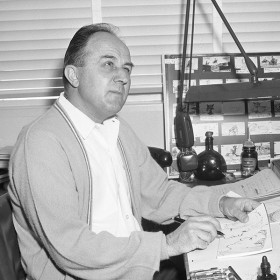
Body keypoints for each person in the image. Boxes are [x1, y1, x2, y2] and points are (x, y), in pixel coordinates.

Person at [8, 23, 259, 280]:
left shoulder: (116, 129)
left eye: (127, 68)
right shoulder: (41, 143)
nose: (123, 77)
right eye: (109, 64)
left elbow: (159, 194)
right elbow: (71, 247)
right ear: (73, 75)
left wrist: (219, 203)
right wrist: (167, 244)